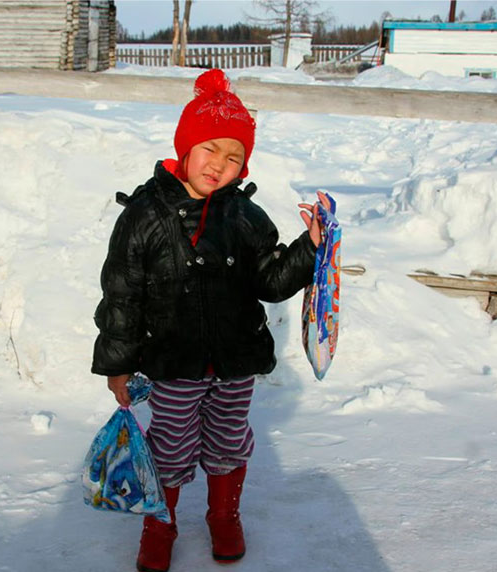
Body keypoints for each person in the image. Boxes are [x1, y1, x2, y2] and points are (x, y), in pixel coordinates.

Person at [91, 68, 328, 572]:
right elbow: (121, 295)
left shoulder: (244, 216)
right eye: (210, 149)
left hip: (235, 360)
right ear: (185, 147)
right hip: (173, 362)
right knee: (171, 448)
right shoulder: (144, 216)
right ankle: (161, 524)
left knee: (228, 440)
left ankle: (224, 515)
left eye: (234, 157)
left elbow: (270, 280)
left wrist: (309, 249)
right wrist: (118, 365)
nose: (219, 165)